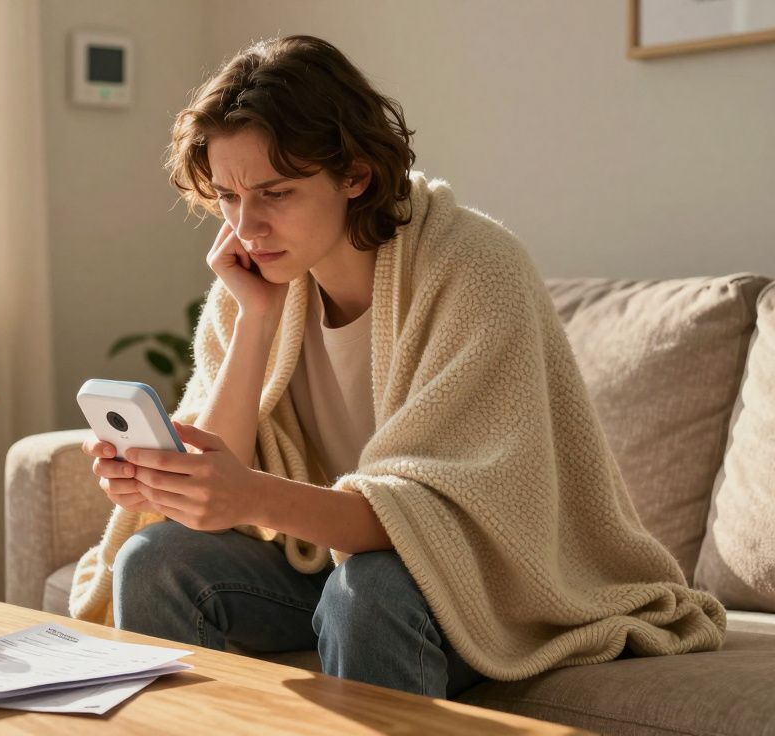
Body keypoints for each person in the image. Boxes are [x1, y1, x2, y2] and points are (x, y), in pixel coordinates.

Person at [69, 35, 724, 698]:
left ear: (354, 175)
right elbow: (222, 484)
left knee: (369, 590)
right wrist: (253, 326)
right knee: (156, 560)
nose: (248, 227)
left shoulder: (476, 270)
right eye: (230, 197)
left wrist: (246, 493)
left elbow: (429, 521)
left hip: (485, 584)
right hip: (326, 561)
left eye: (275, 192)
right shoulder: (255, 283)